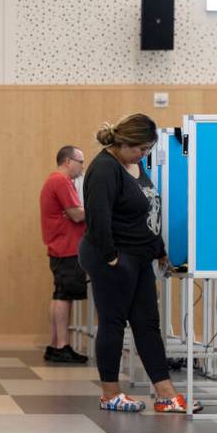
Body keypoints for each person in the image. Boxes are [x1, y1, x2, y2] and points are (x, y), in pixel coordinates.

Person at [77, 113, 202, 414]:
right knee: (113, 322)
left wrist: (157, 248)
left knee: (147, 323)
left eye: (147, 149)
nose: (145, 154)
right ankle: (110, 394)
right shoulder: (105, 168)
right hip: (112, 256)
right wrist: (111, 258)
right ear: (123, 142)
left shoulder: (134, 164)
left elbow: (149, 212)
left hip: (139, 255)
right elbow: (98, 218)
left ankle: (165, 393)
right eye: (141, 149)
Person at [39, 145, 89, 363]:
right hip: (67, 247)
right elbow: (77, 215)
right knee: (64, 296)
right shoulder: (61, 181)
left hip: (62, 246)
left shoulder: (56, 181)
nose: (82, 167)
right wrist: (99, 210)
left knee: (60, 294)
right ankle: (61, 346)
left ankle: (55, 344)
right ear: (68, 161)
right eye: (80, 161)